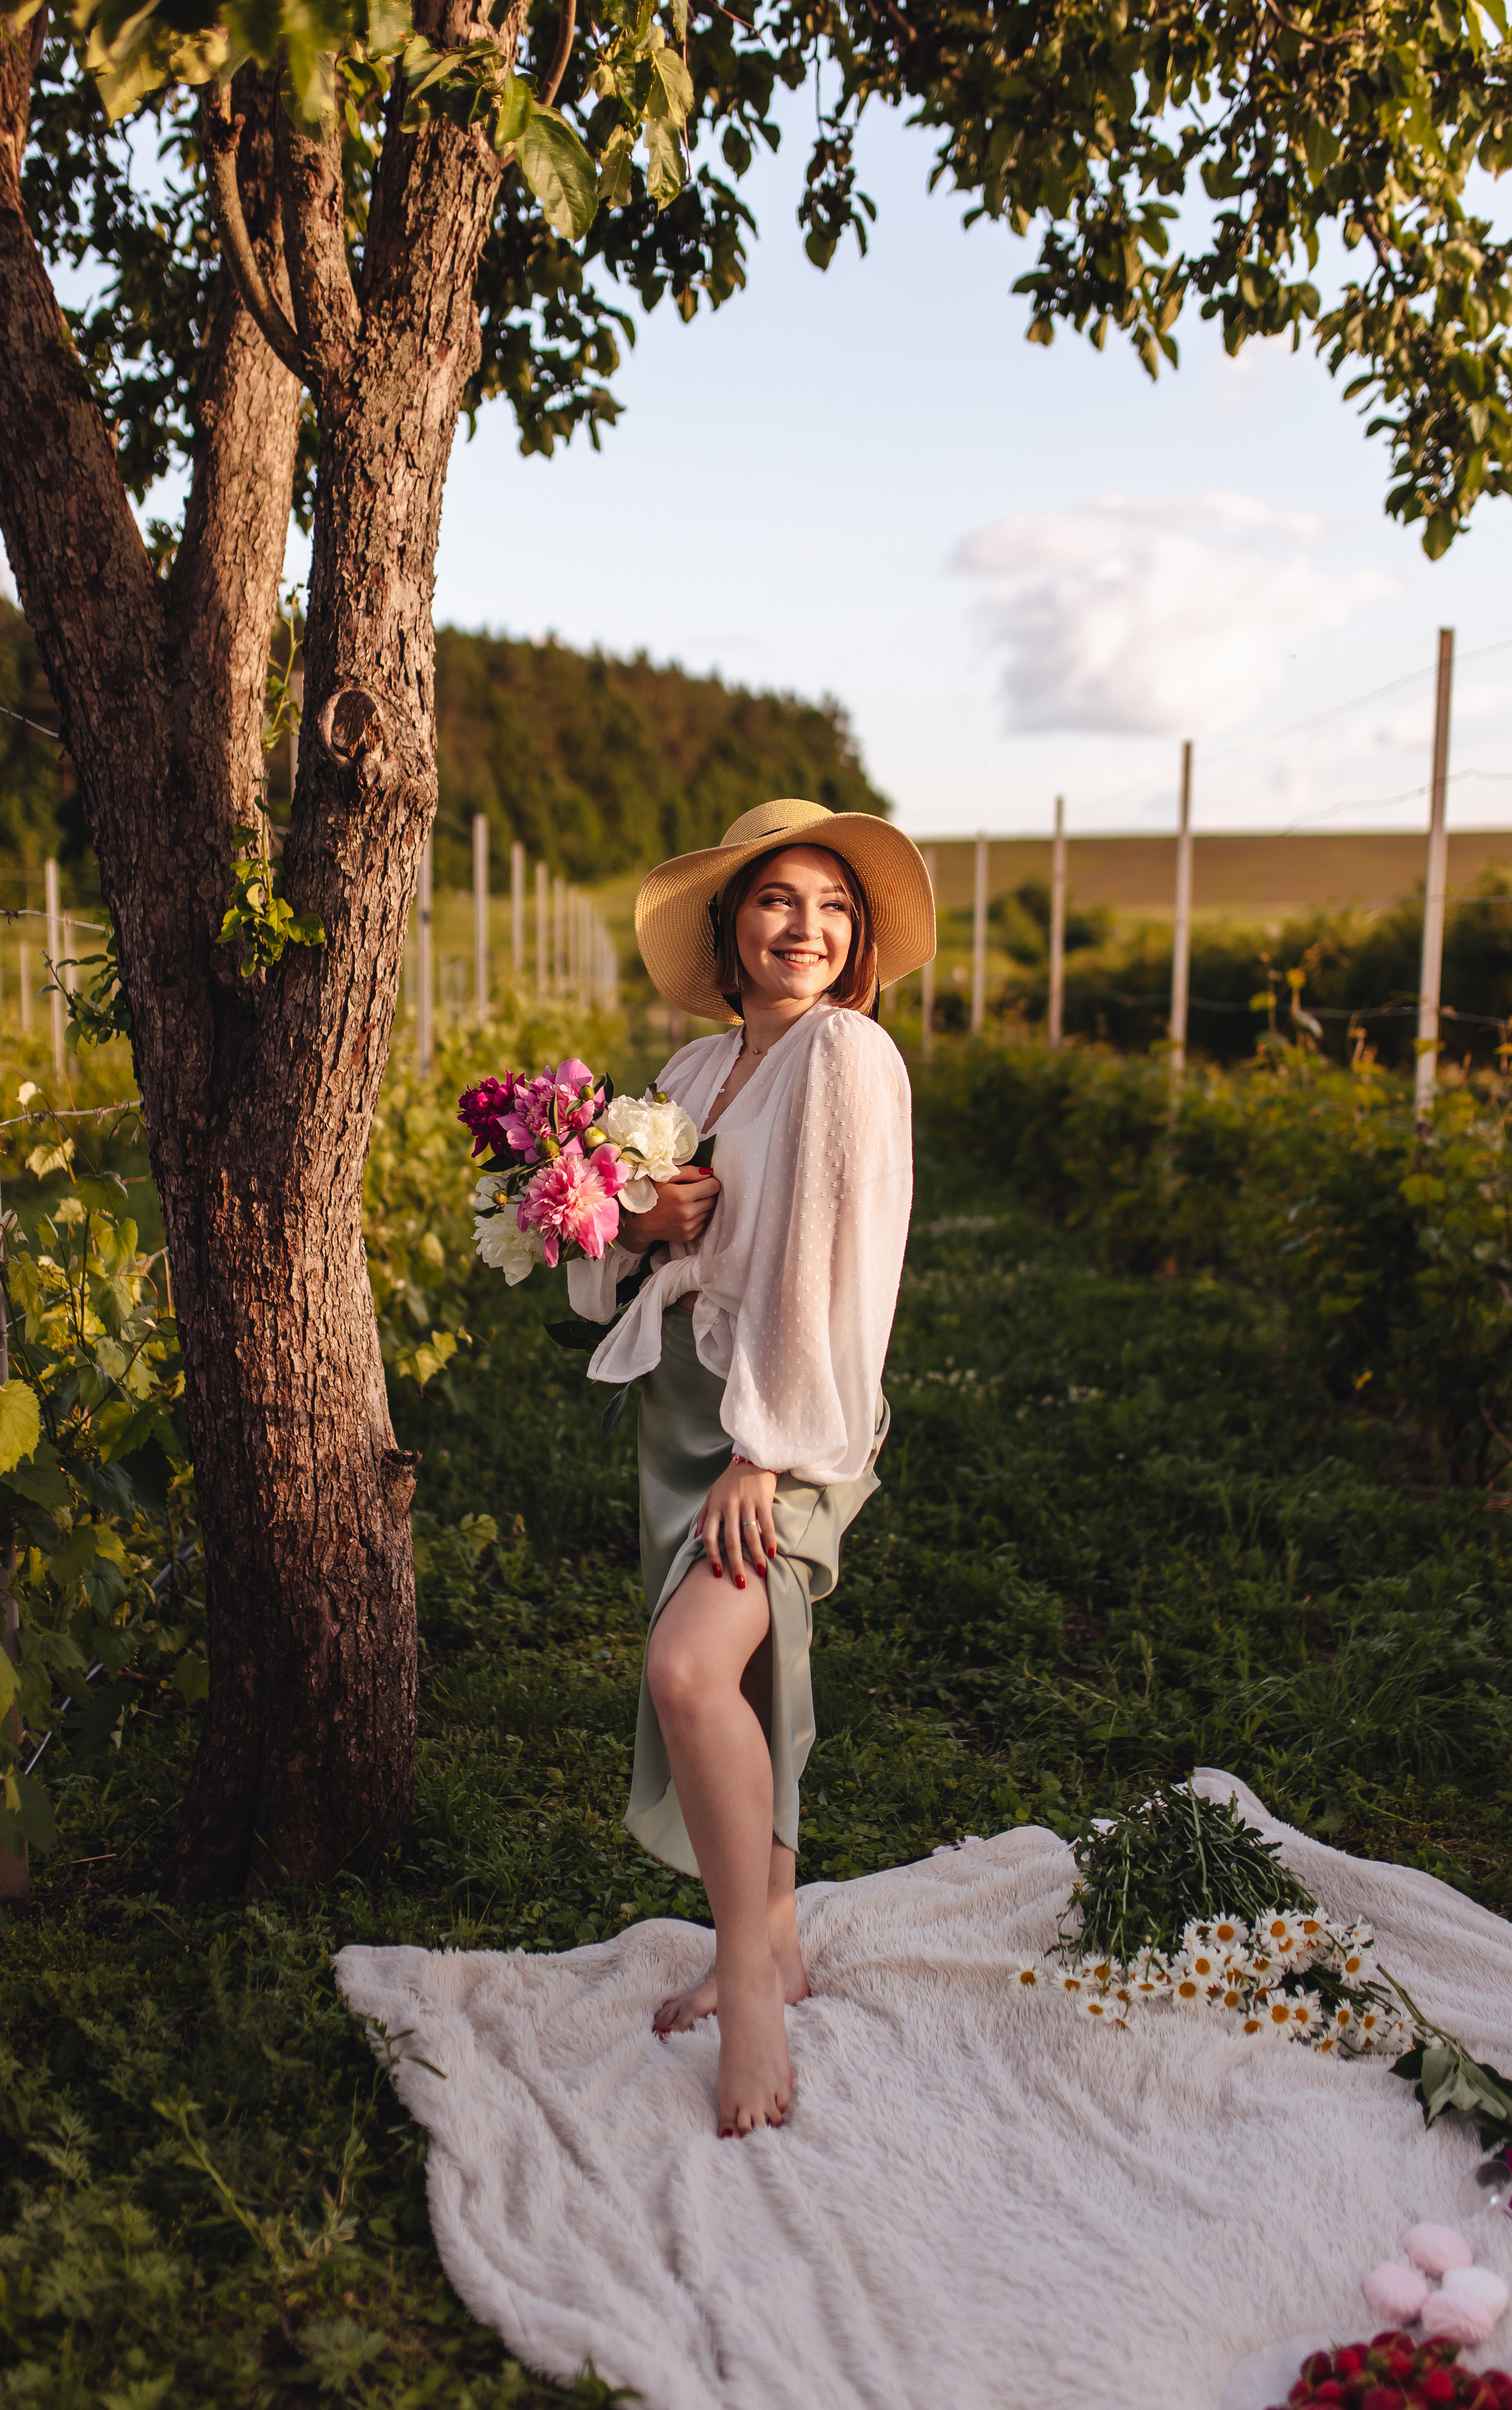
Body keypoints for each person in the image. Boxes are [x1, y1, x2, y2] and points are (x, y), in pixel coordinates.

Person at [567, 797, 936, 2138]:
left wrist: (762, 1458)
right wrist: (633, 1221)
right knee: (754, 1661)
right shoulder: (688, 1074)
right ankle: (771, 1932)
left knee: (686, 1668)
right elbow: (610, 1270)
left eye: (836, 908)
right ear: (729, 925)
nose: (809, 928)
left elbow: (837, 1273)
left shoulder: (845, 1054)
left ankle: (746, 1977)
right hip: (684, 1411)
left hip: (780, 1418)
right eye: (781, 899)